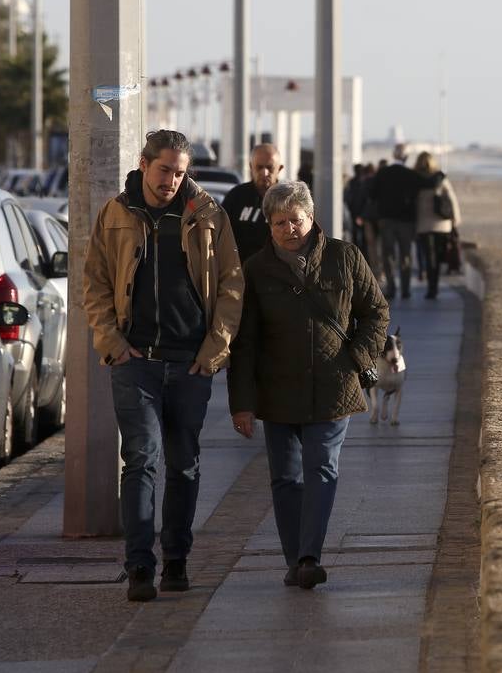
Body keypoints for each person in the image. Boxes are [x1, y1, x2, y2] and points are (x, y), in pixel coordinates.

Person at [82, 129, 244, 602]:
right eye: (164, 170)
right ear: (144, 163)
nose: (171, 180)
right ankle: (139, 566)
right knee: (141, 459)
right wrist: (112, 343)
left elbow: (233, 286)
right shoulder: (115, 213)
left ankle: (176, 559)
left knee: (185, 465)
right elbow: (93, 282)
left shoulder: (209, 214)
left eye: (179, 172)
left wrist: (214, 351)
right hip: (136, 363)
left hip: (191, 363)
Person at [229, 181, 389, 589]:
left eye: (295, 220)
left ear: (311, 218)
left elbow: (376, 311)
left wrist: (358, 356)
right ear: (269, 225)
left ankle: (308, 556)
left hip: (333, 386)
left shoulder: (344, 257)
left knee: (321, 469)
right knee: (285, 478)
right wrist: (241, 403)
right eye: (279, 222)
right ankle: (294, 557)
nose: (289, 229)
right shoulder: (257, 269)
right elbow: (244, 341)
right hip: (277, 390)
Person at [368, 144, 424, 299]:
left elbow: (372, 193)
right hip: (406, 221)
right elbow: (425, 185)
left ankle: (391, 287)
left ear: (393, 155)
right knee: (405, 255)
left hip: (387, 220)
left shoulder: (383, 173)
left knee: (388, 254)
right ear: (406, 157)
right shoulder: (411, 174)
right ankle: (405, 289)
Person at [221, 143, 286, 263]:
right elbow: (220, 235)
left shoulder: (288, 199)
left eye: (270, 167)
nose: (264, 173)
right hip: (240, 272)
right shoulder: (237, 196)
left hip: (277, 273)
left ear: (280, 168)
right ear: (251, 167)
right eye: (259, 167)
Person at [413, 151, 461, 299]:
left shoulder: (415, 179)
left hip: (423, 224)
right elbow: (451, 198)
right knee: (438, 258)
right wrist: (456, 218)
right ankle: (435, 285)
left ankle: (431, 288)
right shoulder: (441, 178)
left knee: (429, 257)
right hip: (442, 224)